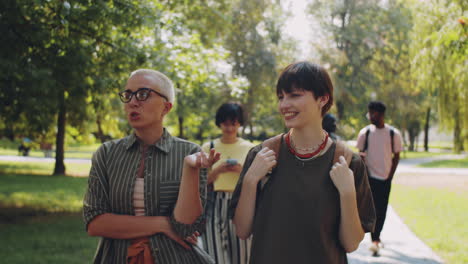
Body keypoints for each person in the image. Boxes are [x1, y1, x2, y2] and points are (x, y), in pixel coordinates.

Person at [229, 61, 376, 264]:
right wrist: (251, 180)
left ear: (322, 99)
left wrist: (347, 193)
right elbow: (242, 230)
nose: (284, 104)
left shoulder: (348, 162)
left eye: (294, 95)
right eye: (281, 97)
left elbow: (351, 244)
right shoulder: (262, 155)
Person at [83, 69, 220, 264]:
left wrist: (190, 169)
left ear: (166, 107)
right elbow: (95, 223)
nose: (132, 101)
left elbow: (185, 227)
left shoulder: (190, 153)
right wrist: (164, 223)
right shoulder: (106, 154)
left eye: (143, 94)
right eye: (128, 95)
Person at [201, 102, 255, 264]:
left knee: (242, 254)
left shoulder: (250, 148)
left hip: (241, 202)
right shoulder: (208, 147)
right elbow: (199, 183)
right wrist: (218, 171)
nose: (230, 128)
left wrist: (241, 171)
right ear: (219, 123)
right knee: (215, 255)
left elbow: (257, 180)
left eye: (234, 123)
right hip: (213, 203)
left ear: (240, 123)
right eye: (225, 123)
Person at [356, 101, 403, 256]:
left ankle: (376, 238)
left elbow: (396, 156)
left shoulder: (393, 134)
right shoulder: (365, 133)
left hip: (385, 178)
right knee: (371, 208)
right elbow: (360, 154)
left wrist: (390, 175)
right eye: (369, 113)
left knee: (382, 209)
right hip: (369, 178)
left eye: (373, 113)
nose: (370, 116)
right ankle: (375, 239)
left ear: (381, 114)